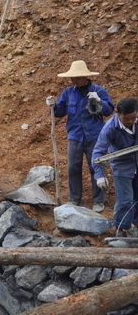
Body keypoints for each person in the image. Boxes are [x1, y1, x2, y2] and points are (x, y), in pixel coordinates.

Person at [46, 60, 114, 212]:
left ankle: (99, 200)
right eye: (73, 77)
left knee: (96, 167)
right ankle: (74, 198)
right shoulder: (68, 93)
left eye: (77, 77)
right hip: (75, 136)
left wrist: (99, 100)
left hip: (95, 136)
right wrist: (53, 106)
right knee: (73, 168)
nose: (74, 80)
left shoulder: (99, 91)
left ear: (86, 77)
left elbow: (109, 111)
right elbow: (59, 112)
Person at [92, 98, 138, 233]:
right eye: (126, 119)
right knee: (125, 200)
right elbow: (98, 152)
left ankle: (135, 225)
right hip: (122, 166)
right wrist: (100, 175)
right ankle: (121, 229)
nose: (130, 121)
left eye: (133, 117)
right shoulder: (110, 128)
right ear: (118, 113)